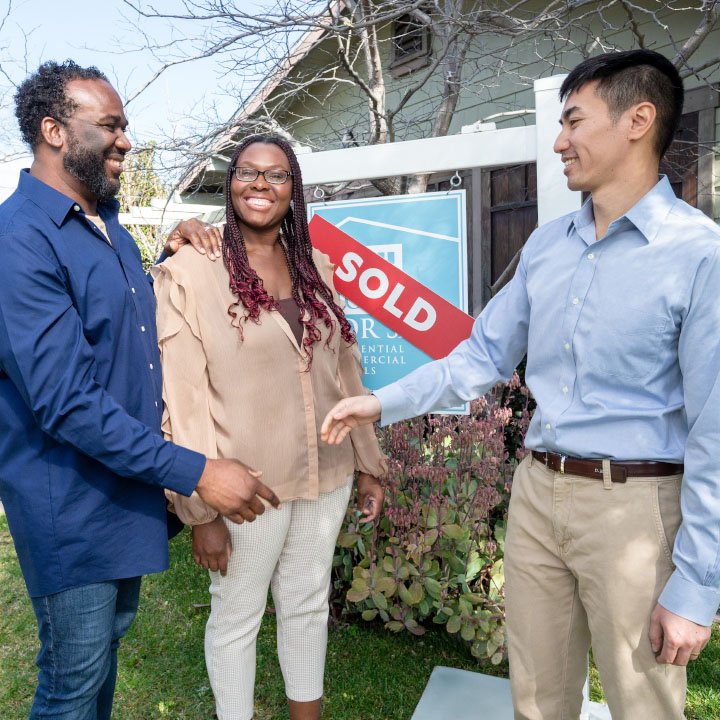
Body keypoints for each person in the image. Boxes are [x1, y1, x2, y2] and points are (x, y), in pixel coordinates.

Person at [322, 49, 720, 719]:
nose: (559, 142)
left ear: (638, 120)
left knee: (642, 705)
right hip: (537, 496)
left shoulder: (698, 254)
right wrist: (379, 403)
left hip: (636, 509)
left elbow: (715, 431)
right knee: (536, 698)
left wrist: (695, 586)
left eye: (574, 121)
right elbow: (477, 356)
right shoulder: (547, 246)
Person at [0, 60, 280, 720]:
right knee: (72, 683)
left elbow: (119, 326)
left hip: (121, 493)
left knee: (98, 668)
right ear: (54, 132)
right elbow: (65, 400)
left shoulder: (108, 230)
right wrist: (198, 472)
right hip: (68, 505)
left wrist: (164, 262)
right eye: (110, 126)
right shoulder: (20, 240)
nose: (126, 140)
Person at [152, 133, 387, 720]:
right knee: (237, 614)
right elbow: (183, 398)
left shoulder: (317, 267)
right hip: (244, 487)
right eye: (248, 173)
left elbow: (346, 374)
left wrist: (368, 465)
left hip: (325, 474)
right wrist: (200, 509)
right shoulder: (192, 271)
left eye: (277, 175)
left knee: (307, 604)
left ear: (294, 189)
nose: (261, 184)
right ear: (229, 184)